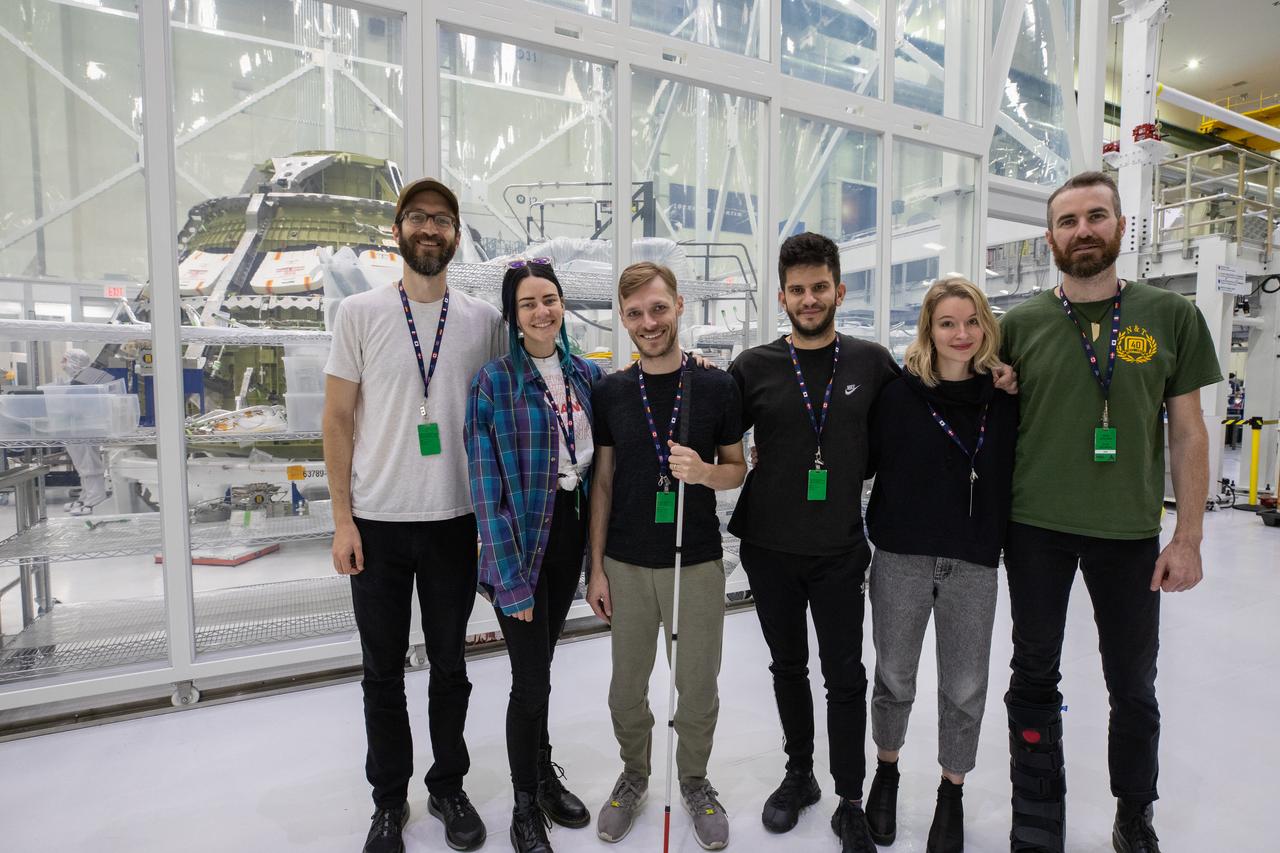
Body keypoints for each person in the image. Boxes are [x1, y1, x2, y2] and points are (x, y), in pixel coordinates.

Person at [1000, 171, 1221, 853]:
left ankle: (1134, 810)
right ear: (1050, 239)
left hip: (1128, 534)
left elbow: (1188, 432)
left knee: (1132, 682)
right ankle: (1038, 809)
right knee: (1033, 671)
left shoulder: (1170, 316)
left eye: (1096, 216)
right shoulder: (1020, 323)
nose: (1083, 230)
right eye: (1068, 221)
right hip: (1035, 527)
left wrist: (1188, 537)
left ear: (1121, 228)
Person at [323, 177, 504, 853]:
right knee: (382, 671)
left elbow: (496, 413)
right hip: (377, 521)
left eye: (443, 219)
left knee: (451, 665)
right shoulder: (360, 314)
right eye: (418, 217)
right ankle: (388, 797)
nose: (430, 228)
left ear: (457, 235)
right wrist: (343, 520)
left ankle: (448, 785)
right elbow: (337, 419)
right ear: (397, 230)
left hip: (456, 522)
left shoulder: (483, 321)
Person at [726, 232, 900, 853]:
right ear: (782, 296)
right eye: (797, 290)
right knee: (787, 666)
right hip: (768, 547)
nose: (808, 298)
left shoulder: (872, 364)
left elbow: (913, 423)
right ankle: (799, 773)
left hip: (838, 549)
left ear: (839, 290)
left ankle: (849, 796)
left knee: (845, 674)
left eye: (819, 287)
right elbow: (712, 426)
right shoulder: (753, 368)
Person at [584, 261, 747, 850]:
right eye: (634, 314)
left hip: (695, 561)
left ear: (679, 305)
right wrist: (595, 566)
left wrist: (702, 472)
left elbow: (737, 468)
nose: (648, 323)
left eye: (658, 308)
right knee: (626, 688)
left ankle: (696, 780)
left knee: (697, 686)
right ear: (622, 319)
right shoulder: (610, 392)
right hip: (626, 564)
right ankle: (634, 774)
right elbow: (602, 481)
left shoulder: (715, 386)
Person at [862, 276, 1018, 853]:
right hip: (900, 555)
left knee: (965, 684)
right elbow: (862, 459)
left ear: (986, 327)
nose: (961, 334)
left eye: (971, 321)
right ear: (928, 327)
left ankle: (951, 791)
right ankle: (887, 769)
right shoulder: (897, 395)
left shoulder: (1005, 397)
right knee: (894, 674)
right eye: (948, 322)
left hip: (974, 561)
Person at [465, 258, 603, 853]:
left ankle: (543, 775)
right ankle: (525, 806)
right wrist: (511, 583)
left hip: (568, 539)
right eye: (529, 304)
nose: (543, 311)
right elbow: (484, 490)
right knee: (530, 682)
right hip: (520, 551)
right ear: (513, 316)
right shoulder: (493, 383)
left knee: (543, 671)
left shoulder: (585, 376)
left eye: (550, 299)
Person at [58, 348, 111, 516]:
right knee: (82, 465)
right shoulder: (78, 379)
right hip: (76, 428)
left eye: (64, 360)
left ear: (75, 361)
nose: (62, 364)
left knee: (90, 463)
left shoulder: (88, 378)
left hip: (87, 428)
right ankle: (86, 495)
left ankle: (96, 498)